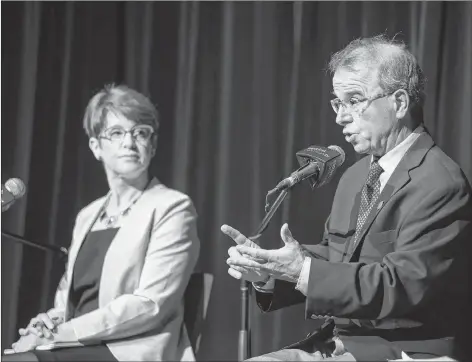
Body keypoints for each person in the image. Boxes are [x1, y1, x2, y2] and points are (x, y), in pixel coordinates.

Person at [222, 35, 471, 361]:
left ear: (399, 103)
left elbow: (401, 284)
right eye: (338, 103)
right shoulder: (356, 175)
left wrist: (303, 271)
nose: (341, 116)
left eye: (354, 100)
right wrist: (271, 271)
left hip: (402, 350)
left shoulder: (440, 182)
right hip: (339, 343)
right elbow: (338, 258)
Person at [3, 84, 200, 361]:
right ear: (96, 147)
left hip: (131, 349)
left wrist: (62, 334)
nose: (129, 143)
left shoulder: (172, 207)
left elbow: (150, 305)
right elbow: (68, 302)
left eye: (140, 133)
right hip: (76, 344)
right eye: (116, 133)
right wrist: (47, 325)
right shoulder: (88, 215)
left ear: (152, 146)